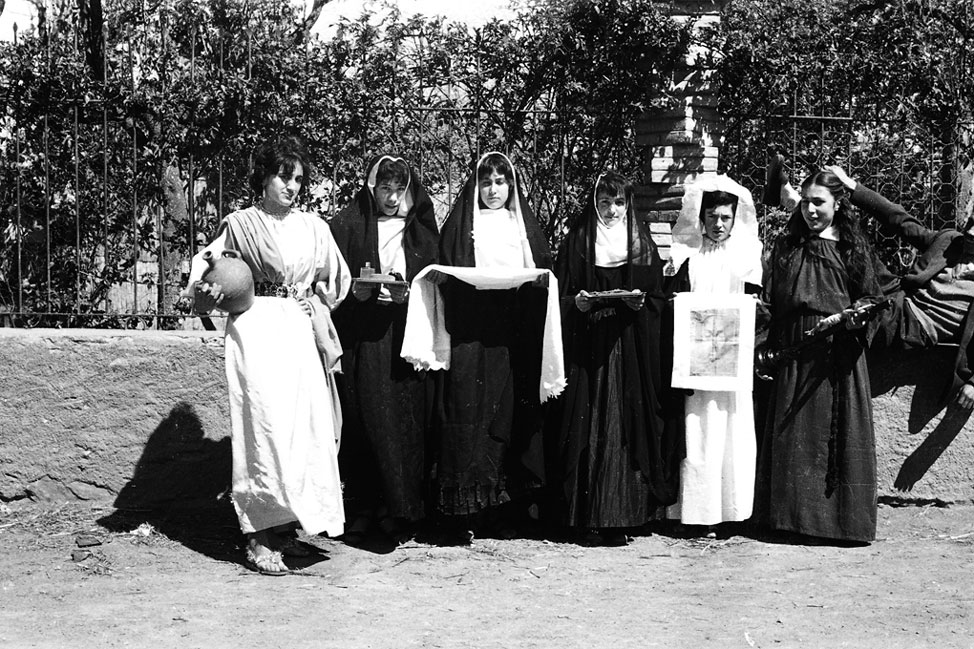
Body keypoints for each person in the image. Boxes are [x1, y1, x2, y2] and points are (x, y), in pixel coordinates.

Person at [181, 137, 350, 574]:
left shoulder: (313, 226)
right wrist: (210, 288)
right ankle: (257, 536)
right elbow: (203, 276)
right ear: (263, 177)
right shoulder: (239, 224)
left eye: (298, 179)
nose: (291, 186)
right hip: (255, 327)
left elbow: (337, 278)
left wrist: (318, 301)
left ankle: (285, 528)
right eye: (283, 176)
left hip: (295, 326)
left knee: (298, 431)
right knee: (263, 428)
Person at [427, 151, 555, 541]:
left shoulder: (521, 225)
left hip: (512, 331)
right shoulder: (464, 225)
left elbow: (543, 271)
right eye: (486, 182)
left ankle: (506, 509)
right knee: (468, 410)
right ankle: (466, 510)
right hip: (471, 329)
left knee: (508, 411)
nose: (493, 190)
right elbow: (446, 271)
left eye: (501, 182)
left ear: (512, 187)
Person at [552, 171, 682, 546]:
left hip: (628, 346)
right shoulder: (578, 241)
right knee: (589, 424)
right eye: (605, 201)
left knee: (626, 425)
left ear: (629, 205)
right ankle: (588, 517)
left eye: (619, 202)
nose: (611, 210)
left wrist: (641, 303)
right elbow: (559, 294)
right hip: (587, 348)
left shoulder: (640, 245)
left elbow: (658, 297)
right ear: (595, 202)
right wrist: (575, 302)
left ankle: (625, 514)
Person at [756, 167, 882, 544]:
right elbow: (767, 301)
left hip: (837, 354)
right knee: (794, 435)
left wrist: (854, 316)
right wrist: (763, 345)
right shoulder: (785, 246)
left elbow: (874, 296)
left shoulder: (851, 246)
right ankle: (790, 520)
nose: (811, 211)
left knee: (834, 435)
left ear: (837, 203)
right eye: (806, 203)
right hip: (795, 348)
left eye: (819, 203)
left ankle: (837, 526)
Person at [329, 155, 439, 546]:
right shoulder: (349, 226)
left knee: (401, 421)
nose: (392, 198)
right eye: (384, 189)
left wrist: (408, 293)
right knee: (364, 418)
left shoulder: (420, 230)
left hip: (403, 339)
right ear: (371, 189)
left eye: (399, 190)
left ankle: (399, 509)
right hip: (364, 337)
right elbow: (332, 280)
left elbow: (434, 281)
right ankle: (362, 508)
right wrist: (354, 293)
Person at [820, 165, 974, 410]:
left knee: (853, 291)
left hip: (915, 327)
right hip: (899, 298)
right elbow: (900, 221)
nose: (971, 233)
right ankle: (802, 206)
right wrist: (852, 186)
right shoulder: (950, 241)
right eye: (971, 223)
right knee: (860, 251)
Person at [665, 174, 763, 534]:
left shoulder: (746, 260)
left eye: (725, 217)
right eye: (712, 217)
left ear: (735, 219)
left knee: (730, 432)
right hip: (695, 367)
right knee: (697, 431)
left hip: (731, 367)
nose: (718, 224)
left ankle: (729, 513)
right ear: (700, 217)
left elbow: (758, 310)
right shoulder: (687, 259)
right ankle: (693, 512)